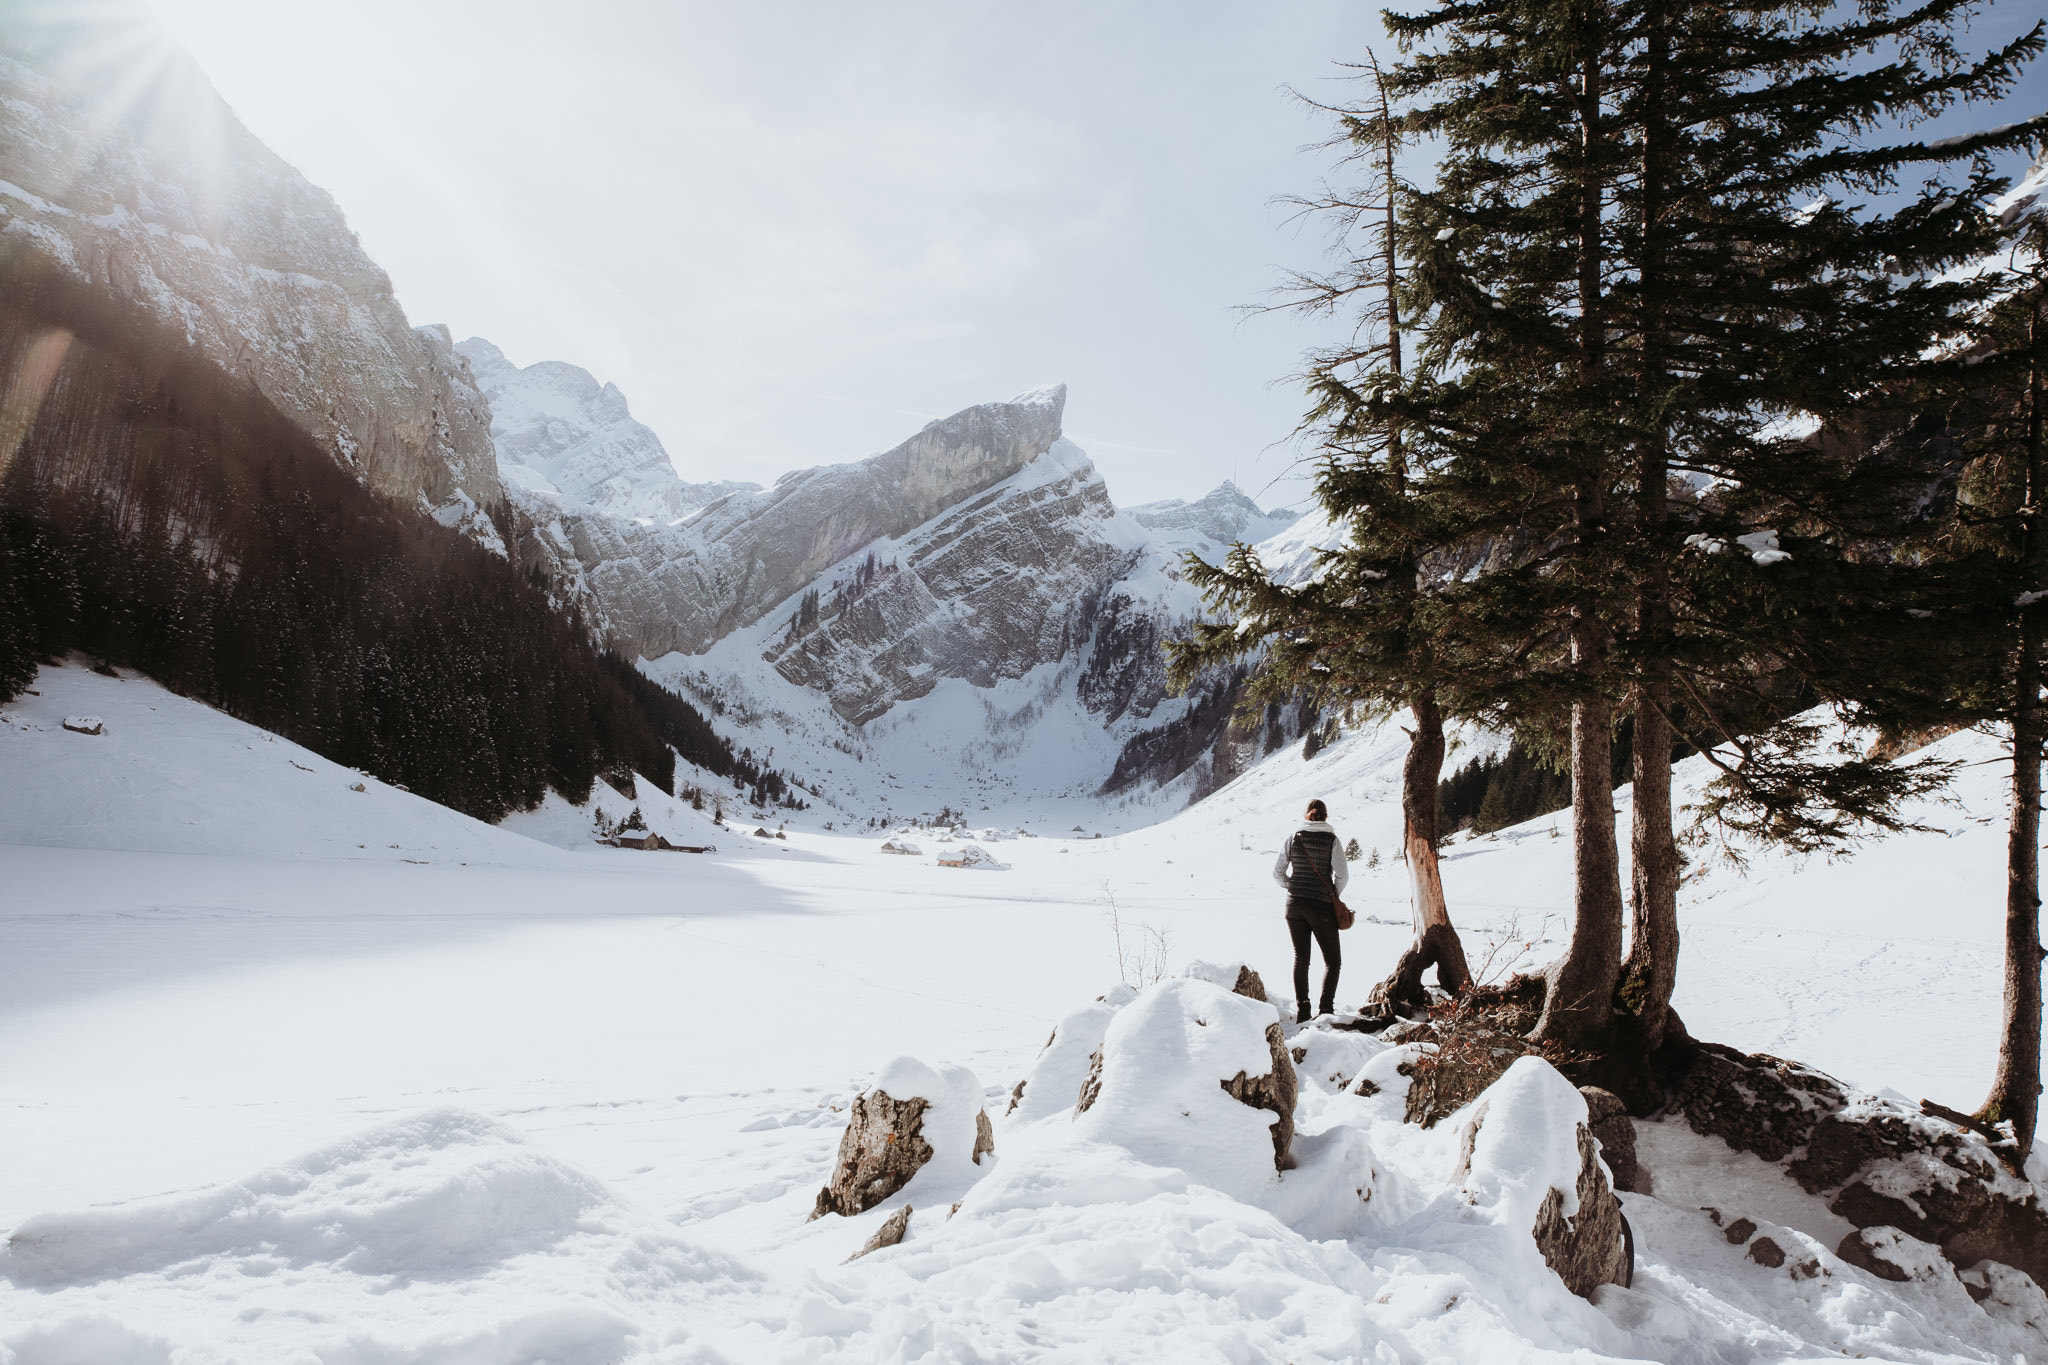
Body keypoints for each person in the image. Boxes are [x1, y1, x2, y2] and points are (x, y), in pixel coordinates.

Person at [1272, 798, 1349, 1023]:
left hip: (1294, 905)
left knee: (1301, 958)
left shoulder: (1293, 838)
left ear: (1306, 815)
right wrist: (1332, 895)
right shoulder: (1332, 840)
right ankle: (1325, 1011)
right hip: (1321, 907)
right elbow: (1342, 875)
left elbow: (1277, 873)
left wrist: (1293, 885)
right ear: (1325, 816)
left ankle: (1303, 1011)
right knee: (1332, 961)